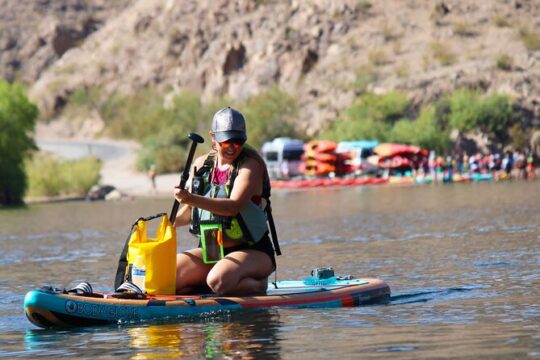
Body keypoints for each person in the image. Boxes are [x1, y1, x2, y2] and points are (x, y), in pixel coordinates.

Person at [173, 107, 279, 296]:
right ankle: (212, 283)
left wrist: (190, 198)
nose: (232, 147)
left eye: (238, 142)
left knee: (218, 281)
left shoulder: (250, 165)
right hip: (212, 250)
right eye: (226, 142)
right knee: (170, 275)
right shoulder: (201, 164)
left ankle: (257, 285)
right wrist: (169, 223)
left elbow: (233, 207)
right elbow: (192, 210)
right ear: (213, 137)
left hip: (253, 251)